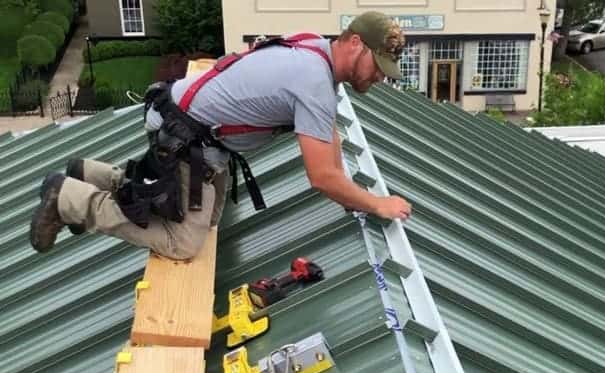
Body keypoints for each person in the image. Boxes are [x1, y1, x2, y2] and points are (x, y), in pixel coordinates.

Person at [30, 11, 411, 260]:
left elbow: (329, 140)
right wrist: (376, 204)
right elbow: (321, 177)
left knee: (210, 217)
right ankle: (69, 199)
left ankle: (90, 173)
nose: (379, 76)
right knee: (184, 243)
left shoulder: (315, 48)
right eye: (377, 66)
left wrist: (354, 198)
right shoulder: (314, 82)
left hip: (184, 121)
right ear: (356, 44)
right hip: (186, 139)